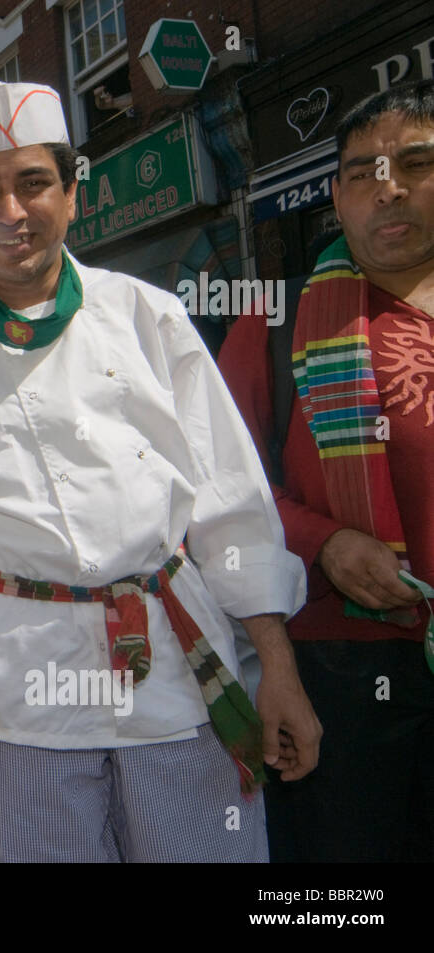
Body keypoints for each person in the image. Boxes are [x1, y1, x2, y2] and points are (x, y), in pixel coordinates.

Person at [0, 80, 322, 862]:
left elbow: (231, 506)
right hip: (15, 693)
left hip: (176, 678)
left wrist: (276, 667)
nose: (12, 210)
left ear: (74, 194)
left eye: (34, 182)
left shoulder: (149, 316)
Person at [218, 80, 434, 862]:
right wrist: (325, 542)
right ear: (337, 199)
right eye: (363, 173)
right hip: (338, 668)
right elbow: (225, 493)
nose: (389, 188)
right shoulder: (276, 323)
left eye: (415, 162)